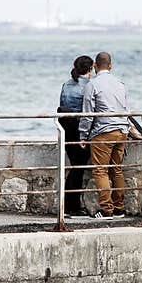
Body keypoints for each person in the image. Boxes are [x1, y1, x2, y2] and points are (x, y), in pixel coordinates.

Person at [79, 52, 129, 219]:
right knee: (117, 170)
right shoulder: (120, 84)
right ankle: (119, 208)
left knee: (100, 171)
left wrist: (83, 135)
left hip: (104, 132)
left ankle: (107, 210)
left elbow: (88, 114)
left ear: (95, 65)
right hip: (122, 130)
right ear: (110, 65)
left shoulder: (92, 85)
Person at [58, 55, 94, 216]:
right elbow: (89, 112)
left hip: (66, 129)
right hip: (80, 130)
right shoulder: (89, 86)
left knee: (75, 167)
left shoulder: (66, 84)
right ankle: (70, 207)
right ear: (91, 68)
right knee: (78, 168)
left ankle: (71, 206)